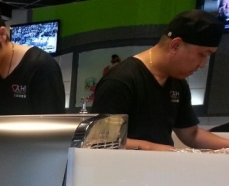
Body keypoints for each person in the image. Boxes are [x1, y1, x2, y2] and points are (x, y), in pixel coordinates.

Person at [91, 9, 229, 151]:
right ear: (175, 45)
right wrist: (156, 149)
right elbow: (102, 140)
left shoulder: (178, 83)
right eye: (202, 55)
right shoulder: (121, 80)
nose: (203, 64)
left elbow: (191, 134)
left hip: (162, 164)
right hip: (126, 165)